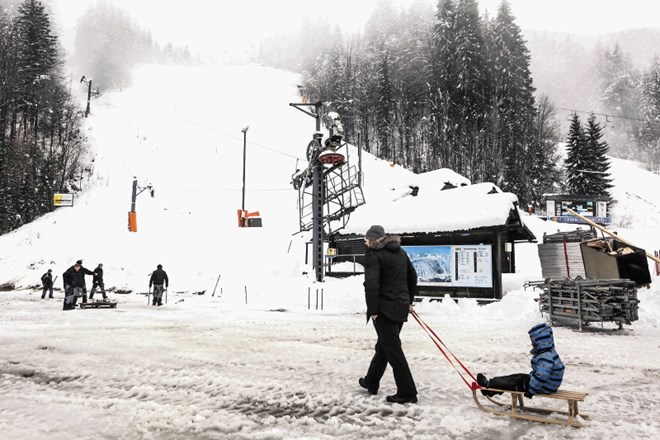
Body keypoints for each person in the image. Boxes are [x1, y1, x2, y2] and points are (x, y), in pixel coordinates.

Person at [359, 224, 419, 404]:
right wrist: (409, 301)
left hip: (384, 310)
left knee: (393, 350)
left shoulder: (374, 256)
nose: (365, 241)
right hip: (400, 308)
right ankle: (371, 381)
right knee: (384, 345)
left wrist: (373, 311)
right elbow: (412, 276)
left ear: (373, 240)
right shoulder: (400, 252)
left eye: (367, 238)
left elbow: (371, 285)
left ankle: (407, 392)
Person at [477, 323, 565, 398]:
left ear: (540, 342)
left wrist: (531, 390)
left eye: (534, 342)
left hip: (543, 387)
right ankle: (491, 388)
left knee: (512, 381)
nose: (532, 344)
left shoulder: (545, 358)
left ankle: (488, 385)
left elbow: (542, 376)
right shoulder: (550, 353)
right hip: (549, 386)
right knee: (516, 378)